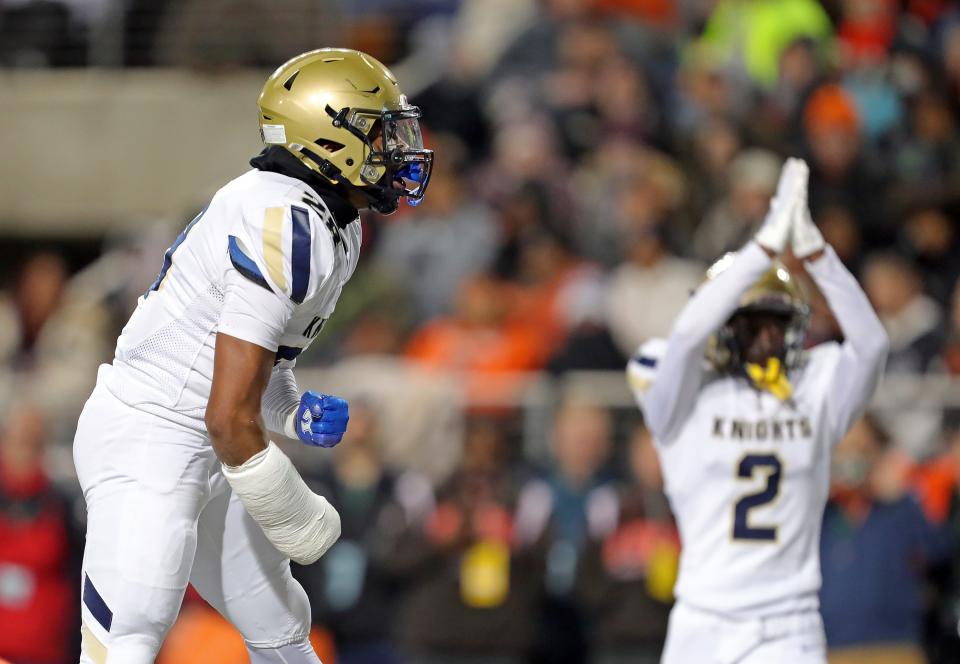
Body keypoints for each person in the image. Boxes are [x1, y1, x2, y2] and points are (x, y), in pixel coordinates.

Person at [71, 48, 433, 662]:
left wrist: (288, 409)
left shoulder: (332, 221)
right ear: (326, 138)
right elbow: (227, 415)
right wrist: (298, 515)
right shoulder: (285, 221)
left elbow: (243, 371)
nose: (396, 149)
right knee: (131, 632)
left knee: (280, 623)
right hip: (152, 440)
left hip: (210, 439)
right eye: (379, 132)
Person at [627, 158, 889, 663]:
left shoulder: (814, 385)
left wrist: (816, 255)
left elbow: (872, 345)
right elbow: (684, 338)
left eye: (778, 323)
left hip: (787, 623)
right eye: (753, 323)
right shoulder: (683, 389)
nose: (769, 337)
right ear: (725, 324)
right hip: (703, 618)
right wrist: (762, 249)